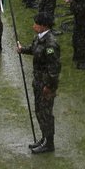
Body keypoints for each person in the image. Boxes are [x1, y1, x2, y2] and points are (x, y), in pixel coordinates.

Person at [17, 12, 61, 154]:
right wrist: (22, 49)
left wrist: (49, 87)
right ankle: (44, 138)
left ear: (43, 26)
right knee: (39, 111)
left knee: (46, 113)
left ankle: (49, 143)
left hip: (46, 85)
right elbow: (34, 49)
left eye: (36, 23)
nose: (33, 26)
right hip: (38, 82)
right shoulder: (40, 38)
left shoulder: (50, 44)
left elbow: (54, 69)